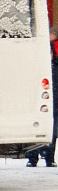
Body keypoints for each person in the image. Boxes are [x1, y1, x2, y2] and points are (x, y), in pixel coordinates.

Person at [26, 27, 58, 167]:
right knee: (49, 129)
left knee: (46, 129)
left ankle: (38, 158)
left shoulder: (42, 50)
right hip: (49, 96)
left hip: (49, 96)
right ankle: (45, 158)